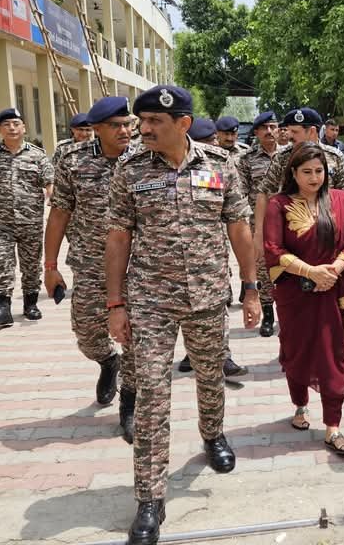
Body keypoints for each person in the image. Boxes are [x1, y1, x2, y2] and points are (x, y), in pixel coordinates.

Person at [105, 85, 261, 545]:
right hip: (150, 300)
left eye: (154, 121)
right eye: (142, 121)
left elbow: (239, 228)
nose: (144, 129)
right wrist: (115, 304)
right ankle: (149, 497)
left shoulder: (221, 165)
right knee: (152, 393)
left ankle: (213, 435)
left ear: (183, 124)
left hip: (208, 296)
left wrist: (252, 289)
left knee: (210, 376)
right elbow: (118, 237)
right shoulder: (130, 169)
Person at [44, 96, 137, 441]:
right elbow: (59, 213)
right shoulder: (73, 161)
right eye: (116, 126)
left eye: (128, 124)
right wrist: (50, 266)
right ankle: (107, 362)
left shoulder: (145, 158)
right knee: (87, 335)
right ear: (96, 129)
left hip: (139, 265)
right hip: (90, 264)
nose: (125, 131)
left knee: (137, 340)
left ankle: (130, 404)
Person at [264, 143, 344, 457]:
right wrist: (310, 272)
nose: (314, 177)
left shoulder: (342, 201)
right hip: (297, 295)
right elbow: (273, 249)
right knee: (298, 353)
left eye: (319, 171)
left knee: (333, 356)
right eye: (306, 171)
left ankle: (333, 426)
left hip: (335, 291)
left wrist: (332, 270)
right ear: (293, 173)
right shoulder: (278, 205)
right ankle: (300, 405)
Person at [178, 116, 249, 376]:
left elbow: (231, 213)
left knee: (219, 303)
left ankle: (223, 354)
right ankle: (193, 352)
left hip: (213, 253)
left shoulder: (218, 165)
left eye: (211, 141)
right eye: (204, 141)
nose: (210, 146)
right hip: (179, 256)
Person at [0, 108, 54, 326]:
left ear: (24, 128)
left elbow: (50, 182)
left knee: (31, 265)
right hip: (1, 223)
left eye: (16, 124)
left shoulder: (37, 155)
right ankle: (2, 308)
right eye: (6, 124)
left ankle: (30, 304)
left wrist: (53, 198)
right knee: (2, 263)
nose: (12, 128)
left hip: (31, 222)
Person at [252, 108, 344, 272]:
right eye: (288, 131)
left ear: (312, 131)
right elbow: (263, 193)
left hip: (327, 233)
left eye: (295, 132)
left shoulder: (334, 157)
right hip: (291, 235)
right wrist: (259, 234)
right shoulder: (282, 157)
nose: (289, 136)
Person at [240, 112, 281, 337]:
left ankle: (288, 313)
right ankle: (268, 315)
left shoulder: (289, 155)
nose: (269, 131)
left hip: (288, 221)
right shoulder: (246, 159)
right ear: (256, 132)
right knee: (263, 270)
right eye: (264, 128)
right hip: (260, 223)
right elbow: (241, 193)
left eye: (273, 126)